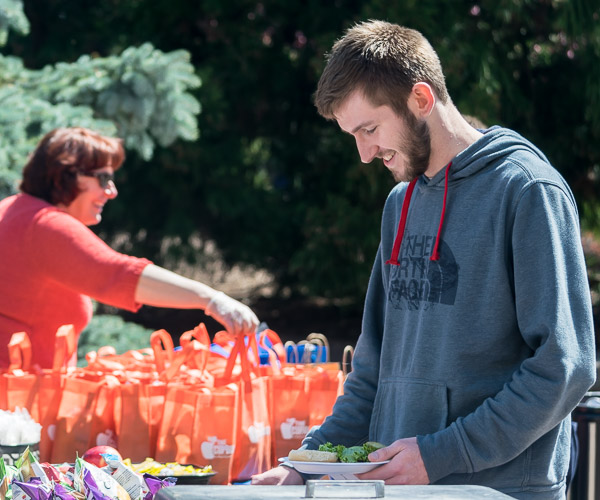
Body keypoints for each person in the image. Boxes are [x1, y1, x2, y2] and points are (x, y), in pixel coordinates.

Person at [251, 20, 596, 499]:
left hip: (497, 491)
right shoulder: (400, 204)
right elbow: (373, 368)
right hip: (400, 488)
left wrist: (442, 453)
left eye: (369, 129)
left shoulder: (527, 190)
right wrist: (308, 462)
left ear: (420, 99)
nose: (365, 153)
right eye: (353, 135)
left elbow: (565, 366)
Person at [0, 127, 259, 369]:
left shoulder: (15, 210)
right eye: (103, 178)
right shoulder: (45, 224)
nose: (111, 191)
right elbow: (117, 275)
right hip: (15, 401)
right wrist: (211, 299)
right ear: (65, 175)